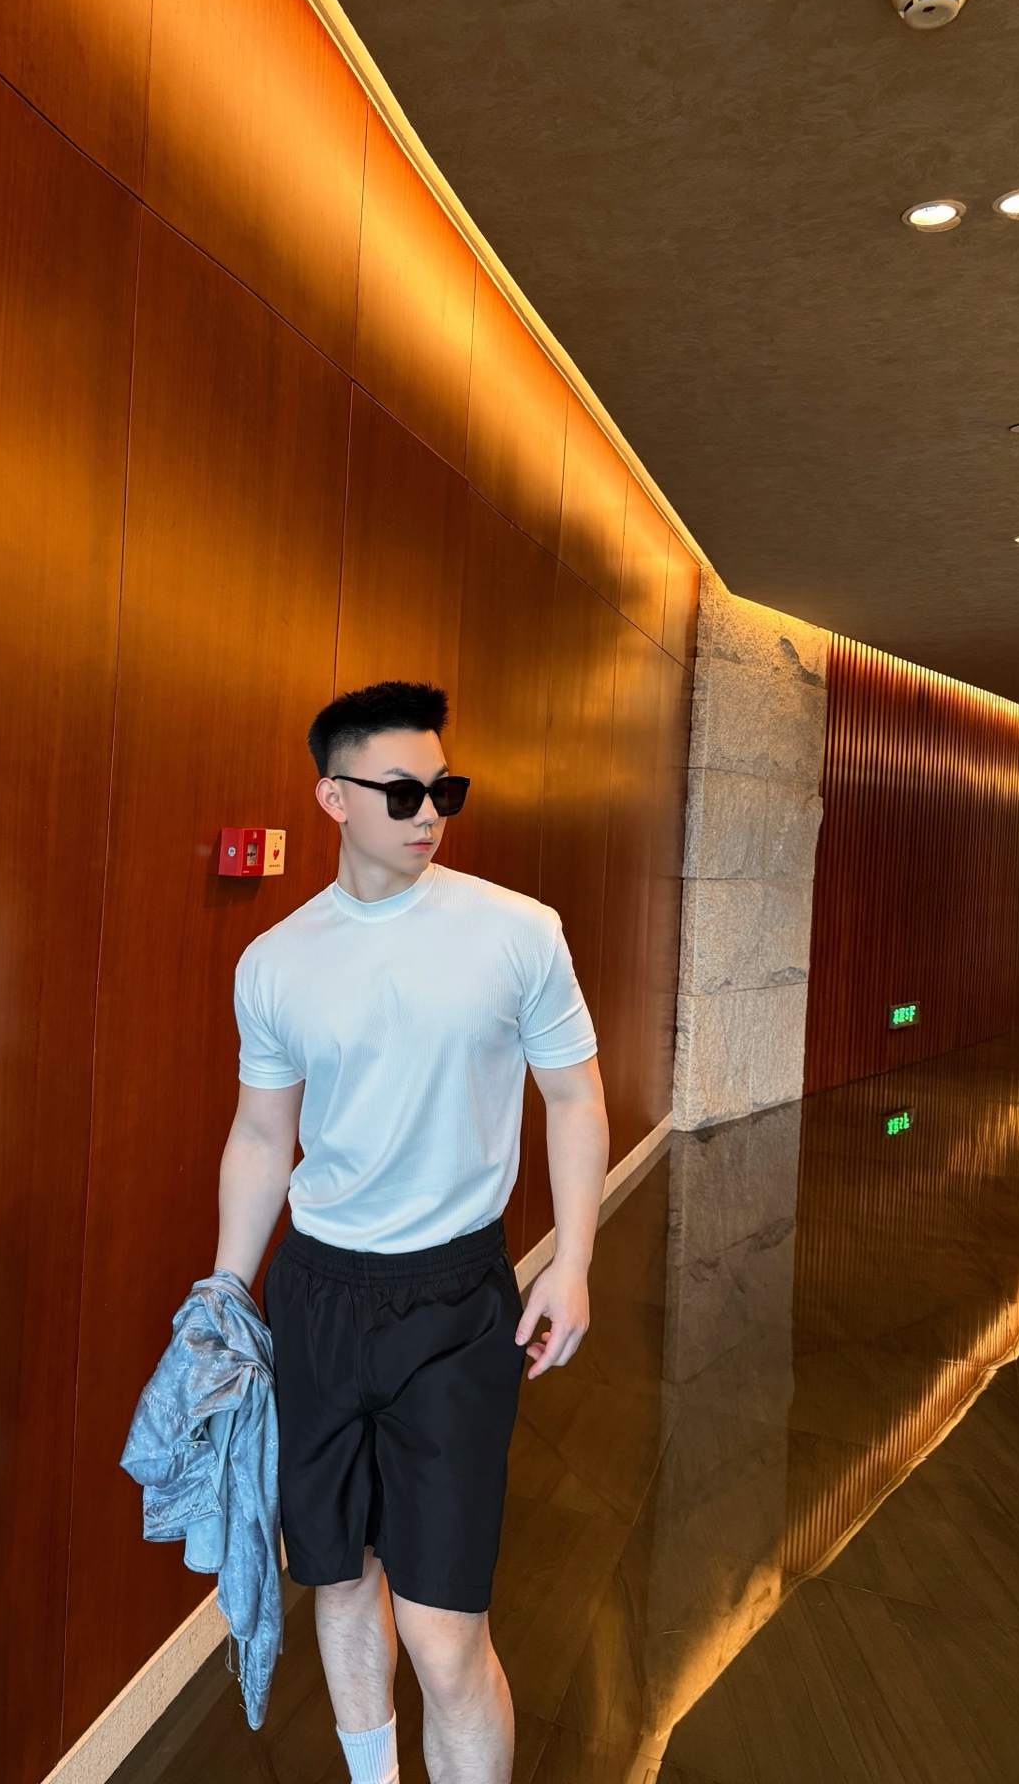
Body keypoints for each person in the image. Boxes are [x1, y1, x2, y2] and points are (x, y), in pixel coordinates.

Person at [214, 679, 609, 1784]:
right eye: (402, 792)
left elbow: (574, 1097)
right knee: (339, 1582)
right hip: (317, 1296)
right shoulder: (277, 960)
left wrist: (573, 1260)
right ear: (332, 797)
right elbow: (261, 1135)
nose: (429, 812)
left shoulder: (517, 932)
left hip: (454, 1299)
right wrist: (223, 1291)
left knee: (442, 1633)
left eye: (445, 789)